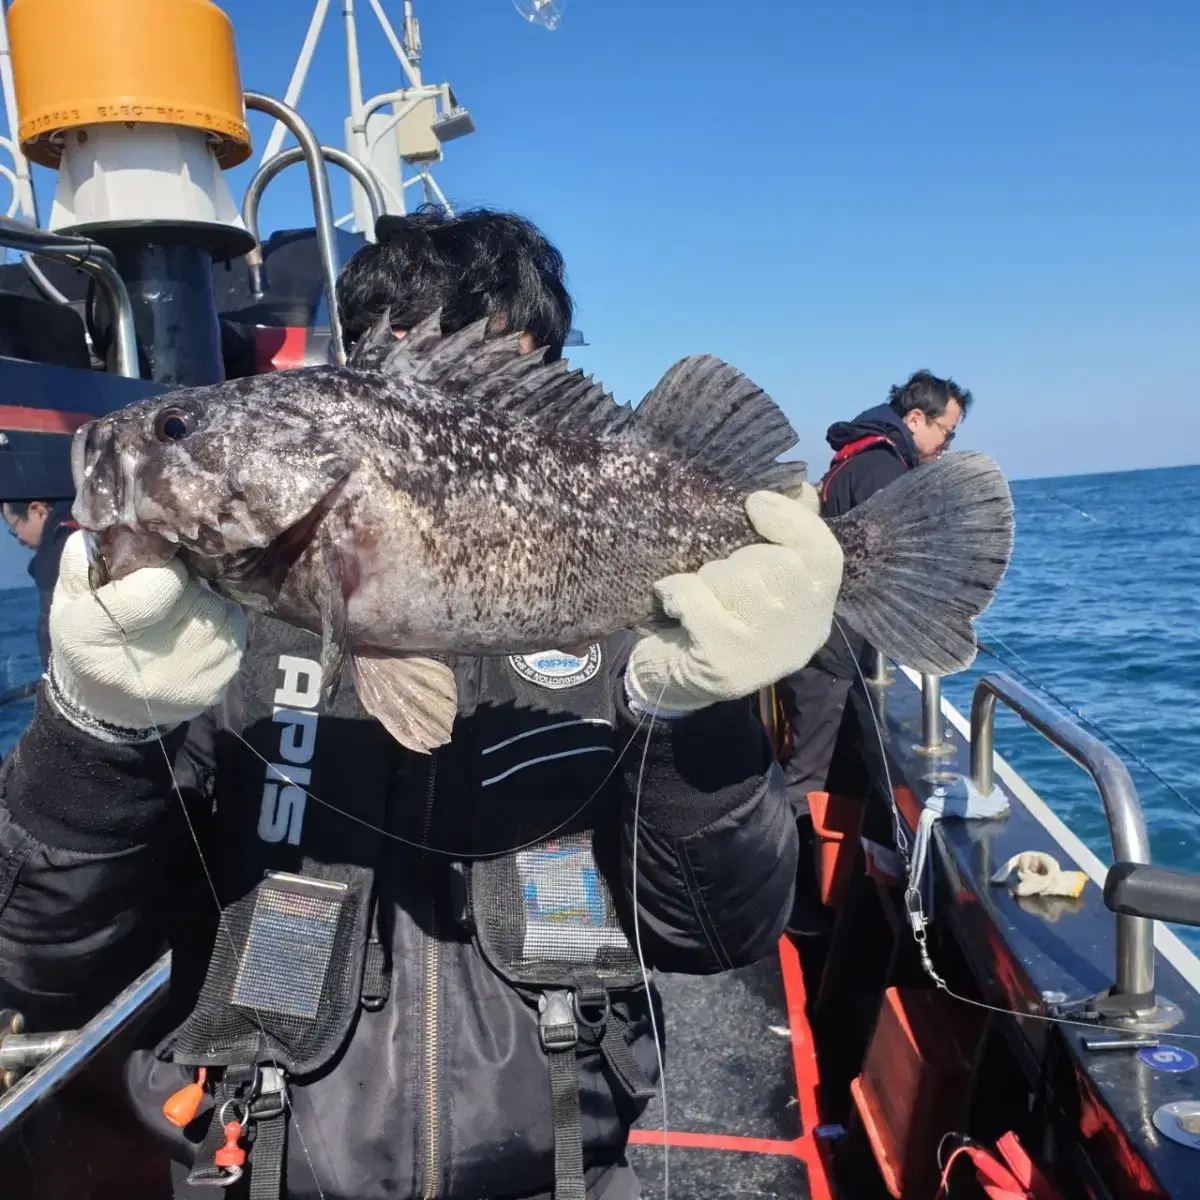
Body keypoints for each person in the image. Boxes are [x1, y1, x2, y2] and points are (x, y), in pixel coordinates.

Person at [0, 209, 843, 1200]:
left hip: (563, 1173)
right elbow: (37, 964)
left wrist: (702, 713)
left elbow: (720, 934)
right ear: (345, 386)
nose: (459, 429)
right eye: (410, 370)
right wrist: (98, 727)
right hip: (261, 1170)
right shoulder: (204, 651)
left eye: (512, 386)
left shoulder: (636, 649)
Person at [778, 370, 972, 933]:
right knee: (806, 777)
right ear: (916, 420)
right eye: (946, 432)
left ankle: (824, 891)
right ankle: (793, 902)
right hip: (833, 649)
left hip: (825, 639)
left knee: (821, 769)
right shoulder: (885, 469)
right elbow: (899, 559)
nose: (946, 446)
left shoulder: (859, 457)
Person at [2, 497, 78, 669]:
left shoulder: (50, 560)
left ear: (39, 511)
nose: (19, 540)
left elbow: (52, 636)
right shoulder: (82, 519)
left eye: (14, 529)